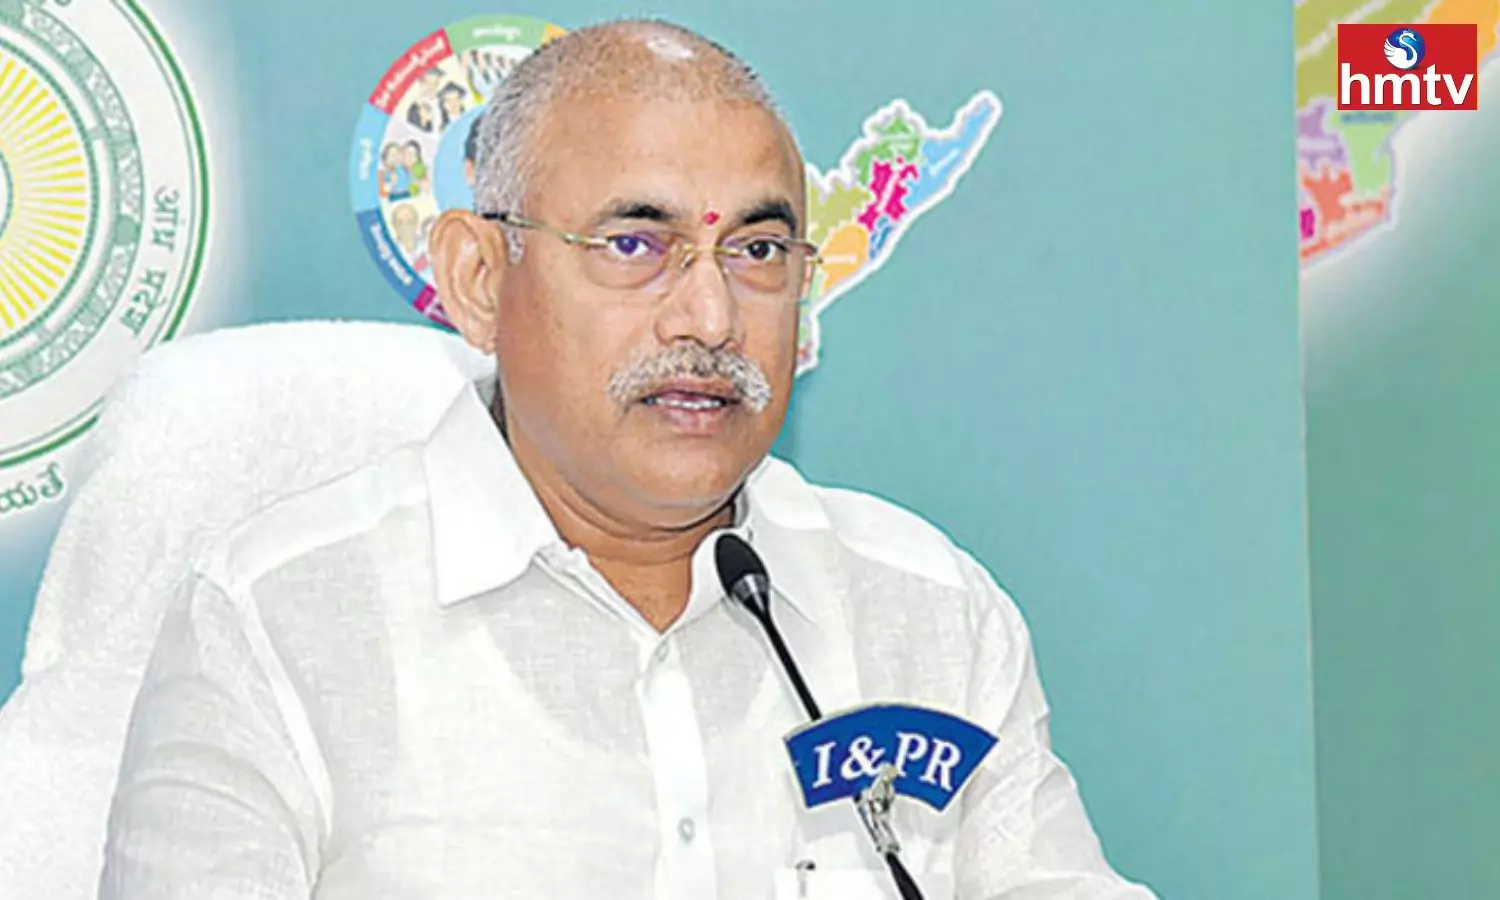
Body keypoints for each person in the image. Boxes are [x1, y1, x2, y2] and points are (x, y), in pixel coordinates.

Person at [98, 18, 1158, 900]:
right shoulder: (278, 624)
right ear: (479, 279)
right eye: (635, 246)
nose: (710, 316)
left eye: (757, 251)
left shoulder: (927, 612)